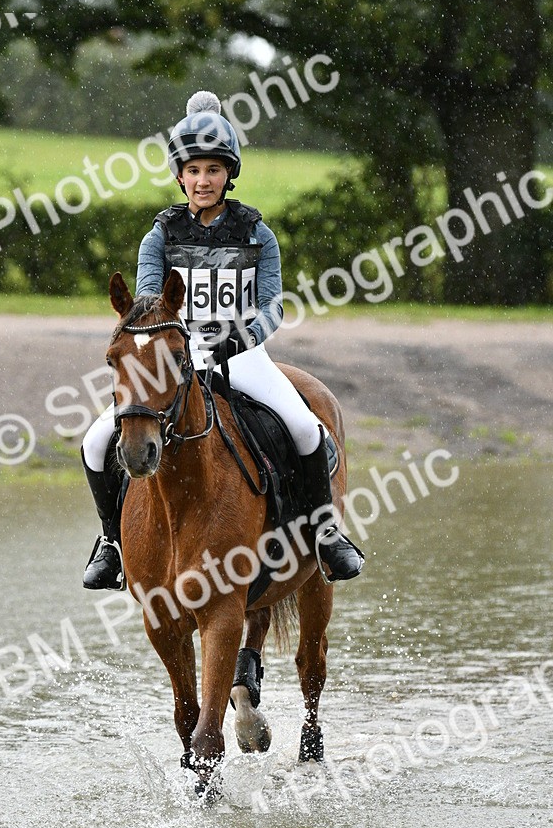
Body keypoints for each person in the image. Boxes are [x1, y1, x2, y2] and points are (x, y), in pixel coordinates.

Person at [81, 91, 364, 590]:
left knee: (306, 429)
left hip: (243, 356)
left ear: (228, 175)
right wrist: (173, 346)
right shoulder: (160, 237)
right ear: (180, 177)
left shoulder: (258, 234)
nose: (203, 180)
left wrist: (243, 337)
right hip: (174, 361)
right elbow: (149, 302)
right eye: (193, 170)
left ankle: (325, 535)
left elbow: (272, 304)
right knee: (95, 440)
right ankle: (111, 543)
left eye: (213, 170)